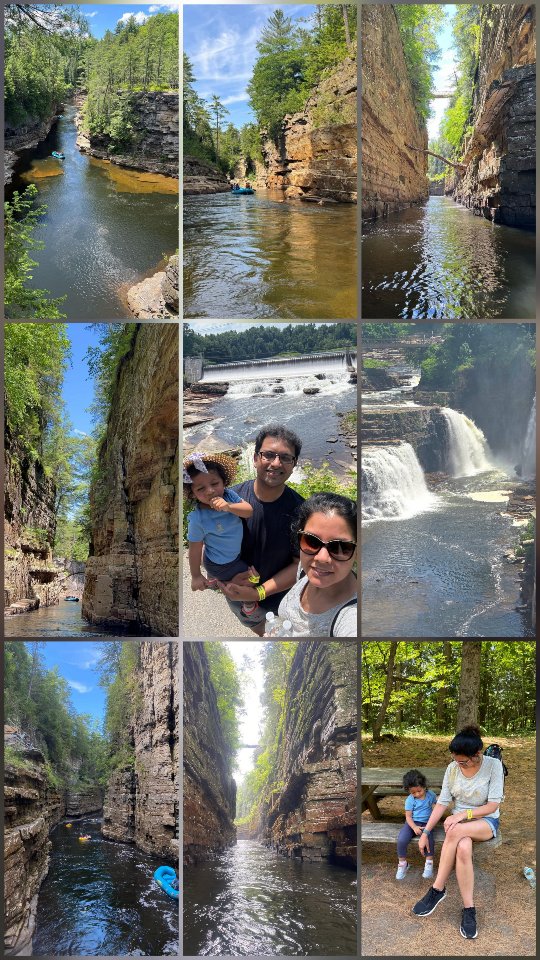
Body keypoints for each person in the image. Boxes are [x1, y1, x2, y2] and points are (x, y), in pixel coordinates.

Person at [412, 724, 504, 940]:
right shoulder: (452, 768)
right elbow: (443, 802)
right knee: (463, 848)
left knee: (455, 832)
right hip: (458, 824)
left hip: (484, 821)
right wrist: (425, 833)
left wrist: (462, 815)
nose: (458, 764)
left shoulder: (493, 766)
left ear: (477, 755)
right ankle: (469, 908)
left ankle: (437, 889)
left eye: (463, 761)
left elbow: (492, 805)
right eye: (455, 759)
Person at [218, 425, 304, 636]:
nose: (276, 463)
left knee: (282, 635)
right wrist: (225, 579)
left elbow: (299, 564)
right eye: (269, 455)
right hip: (238, 595)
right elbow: (209, 549)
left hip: (282, 597)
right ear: (256, 458)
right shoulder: (228, 501)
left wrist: (259, 592)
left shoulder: (301, 512)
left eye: (285, 458)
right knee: (260, 630)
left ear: (293, 465)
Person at [184, 452, 259, 617]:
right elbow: (195, 549)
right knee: (253, 579)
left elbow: (248, 511)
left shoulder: (229, 496)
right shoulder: (198, 519)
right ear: (192, 493)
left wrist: (228, 507)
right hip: (222, 563)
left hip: (227, 555)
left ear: (224, 482)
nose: (210, 491)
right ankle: (247, 603)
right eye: (201, 488)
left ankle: (214, 579)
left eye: (215, 483)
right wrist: (196, 576)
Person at [277, 492, 357, 636]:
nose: (321, 557)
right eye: (311, 541)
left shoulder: (352, 618)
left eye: (340, 547)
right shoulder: (305, 568)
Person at [396, 770, 437, 880]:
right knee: (401, 840)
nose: (417, 794)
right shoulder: (410, 800)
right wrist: (414, 827)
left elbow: (435, 810)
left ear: (424, 786)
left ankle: (429, 862)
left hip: (427, 823)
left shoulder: (431, 795)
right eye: (413, 792)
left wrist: (431, 821)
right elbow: (408, 817)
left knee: (430, 840)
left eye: (419, 791)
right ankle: (403, 863)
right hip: (412, 823)